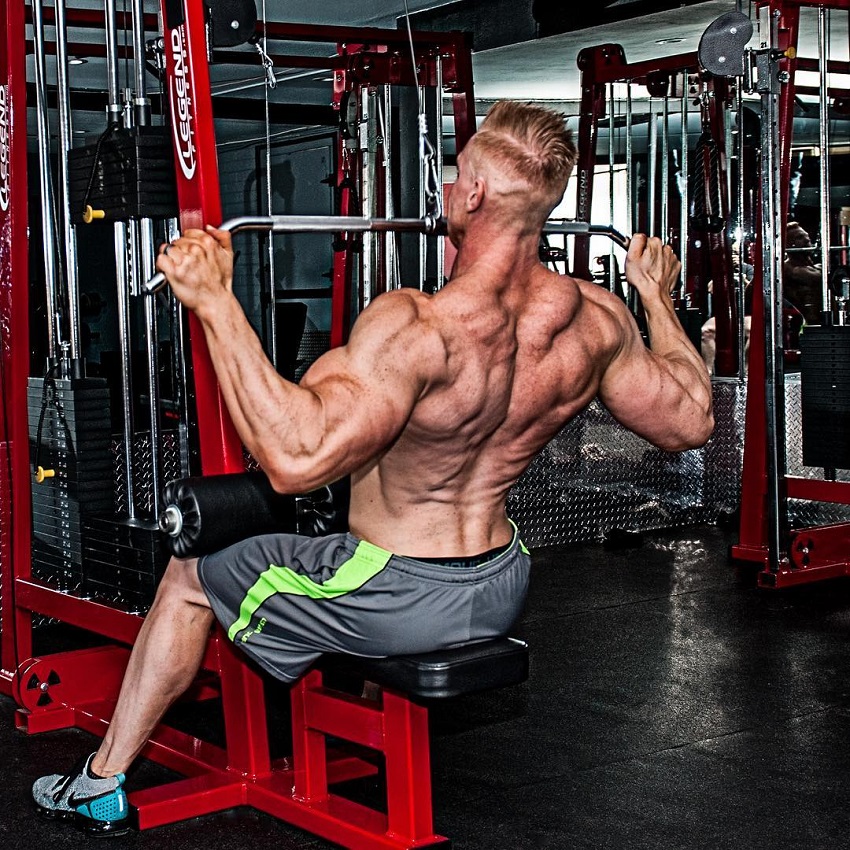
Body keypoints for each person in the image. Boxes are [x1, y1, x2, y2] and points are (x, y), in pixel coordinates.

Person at [32, 100, 714, 836]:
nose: (448, 193)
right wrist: (656, 296)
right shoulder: (598, 318)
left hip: (399, 594)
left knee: (192, 574)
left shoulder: (420, 326)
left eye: (456, 179)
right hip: (504, 579)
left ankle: (98, 784)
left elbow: (295, 460)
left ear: (478, 195)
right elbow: (691, 421)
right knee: (308, 542)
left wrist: (215, 303)